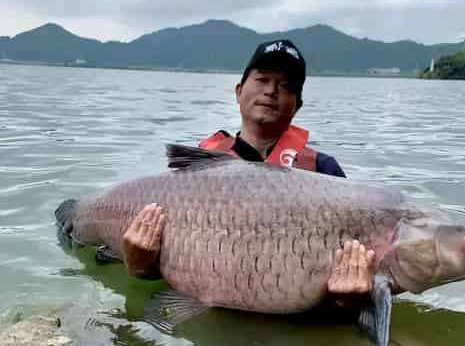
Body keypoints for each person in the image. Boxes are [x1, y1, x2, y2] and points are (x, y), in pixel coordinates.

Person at [121, 39, 376, 300]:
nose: (271, 91)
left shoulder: (324, 171)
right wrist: (139, 264)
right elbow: (157, 271)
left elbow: (348, 282)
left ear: (297, 105)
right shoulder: (193, 175)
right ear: (239, 91)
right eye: (263, 79)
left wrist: (349, 300)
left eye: (285, 86)